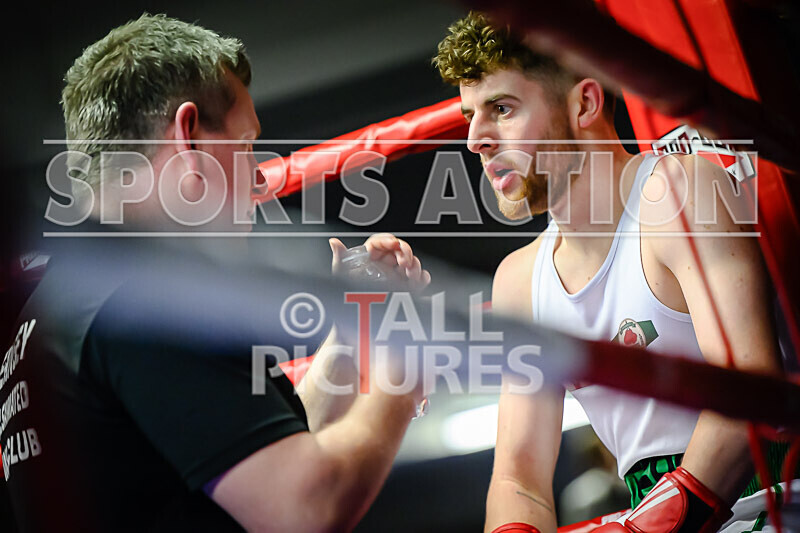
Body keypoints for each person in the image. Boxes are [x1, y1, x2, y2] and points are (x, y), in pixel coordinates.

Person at [1, 14, 429, 532]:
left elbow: (254, 458)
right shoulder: (148, 301)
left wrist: (351, 339)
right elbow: (306, 508)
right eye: (247, 145)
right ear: (190, 137)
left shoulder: (54, 308)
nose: (257, 180)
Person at [433, 11, 792, 533]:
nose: (475, 139)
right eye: (470, 116)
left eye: (502, 108)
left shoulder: (678, 193)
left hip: (769, 498)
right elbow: (519, 478)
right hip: (655, 511)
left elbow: (749, 391)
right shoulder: (521, 280)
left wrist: (648, 527)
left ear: (584, 103)